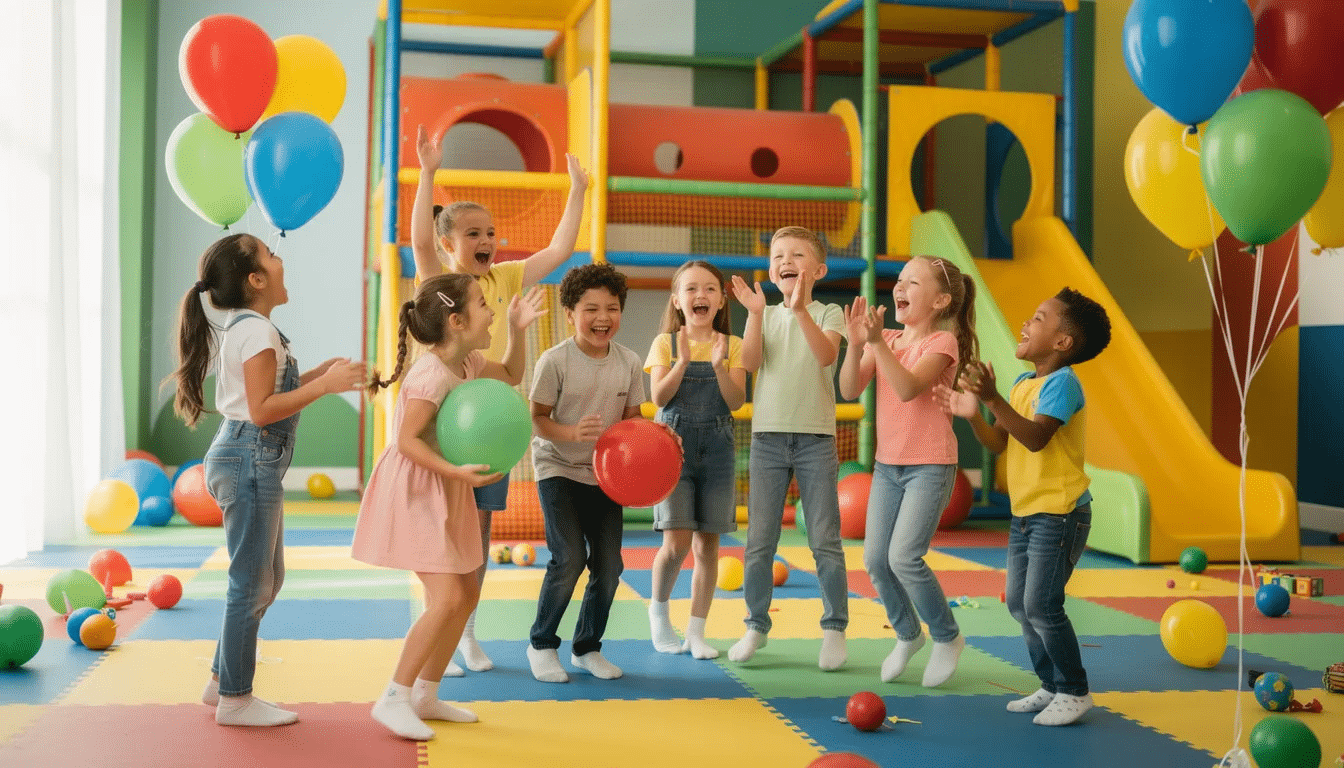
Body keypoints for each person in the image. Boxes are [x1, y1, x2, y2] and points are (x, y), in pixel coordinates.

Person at [411, 124, 589, 675]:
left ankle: (468, 632)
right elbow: (417, 241)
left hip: (489, 435)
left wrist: (577, 191)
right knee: (443, 542)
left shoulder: (507, 278)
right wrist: (428, 174)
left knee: (479, 540)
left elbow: (560, 249)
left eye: (490, 232)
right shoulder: (440, 283)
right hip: (444, 432)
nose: (486, 240)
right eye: (471, 233)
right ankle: (440, 626)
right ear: (449, 244)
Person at [169, 234, 366, 727]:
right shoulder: (255, 332)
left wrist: (324, 373)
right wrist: (325, 386)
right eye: (271, 256)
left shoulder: (256, 329)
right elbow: (260, 411)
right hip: (248, 458)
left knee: (265, 580)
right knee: (250, 582)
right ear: (256, 279)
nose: (281, 261)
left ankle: (221, 682)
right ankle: (236, 698)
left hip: (250, 460)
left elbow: (272, 392)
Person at [353, 273, 544, 740]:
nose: (492, 309)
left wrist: (518, 330)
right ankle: (394, 696)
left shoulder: (470, 362)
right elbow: (406, 439)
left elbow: (513, 376)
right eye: (483, 303)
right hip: (417, 488)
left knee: (467, 593)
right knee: (447, 598)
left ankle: (425, 693)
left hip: (447, 486)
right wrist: (456, 473)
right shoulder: (431, 373)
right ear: (457, 321)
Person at [934, 287, 1112, 726]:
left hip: (1061, 512)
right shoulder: (1021, 384)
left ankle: (1075, 690)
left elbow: (1035, 438)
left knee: (1042, 605)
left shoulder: (1062, 384)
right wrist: (974, 412)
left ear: (1062, 342)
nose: (1025, 324)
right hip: (1027, 513)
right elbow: (999, 443)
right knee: (1019, 603)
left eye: (1038, 317)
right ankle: (1051, 684)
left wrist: (993, 399)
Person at [838, 256, 979, 687]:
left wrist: (877, 344)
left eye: (912, 281)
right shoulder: (890, 340)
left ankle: (947, 636)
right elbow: (848, 389)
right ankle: (907, 633)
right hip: (887, 467)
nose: (899, 287)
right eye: (899, 280)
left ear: (939, 300)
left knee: (904, 557)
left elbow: (907, 387)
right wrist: (856, 344)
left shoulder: (942, 343)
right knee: (876, 560)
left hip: (931, 465)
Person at [728, 226, 849, 671]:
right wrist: (757, 315)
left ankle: (835, 628)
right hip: (768, 440)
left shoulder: (829, 312)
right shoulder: (763, 314)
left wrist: (800, 312)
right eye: (779, 254)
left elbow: (825, 357)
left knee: (824, 541)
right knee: (759, 541)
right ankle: (755, 625)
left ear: (817, 270)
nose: (786, 260)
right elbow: (752, 363)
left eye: (797, 254)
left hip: (816, 440)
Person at [526, 263, 647, 683]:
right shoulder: (554, 360)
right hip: (557, 467)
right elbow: (537, 417)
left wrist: (659, 435)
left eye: (611, 308)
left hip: (604, 476)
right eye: (591, 308)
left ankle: (586, 647)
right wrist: (572, 432)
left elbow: (635, 424)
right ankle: (541, 644)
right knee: (570, 557)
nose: (602, 318)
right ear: (570, 313)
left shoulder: (629, 362)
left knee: (610, 565)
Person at [644, 261, 747, 660]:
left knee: (708, 547)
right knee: (676, 542)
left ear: (721, 300)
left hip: (719, 447)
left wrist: (720, 366)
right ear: (677, 300)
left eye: (709, 289)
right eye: (691, 289)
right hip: (673, 446)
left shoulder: (732, 344)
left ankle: (697, 632)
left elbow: (735, 401)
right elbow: (659, 398)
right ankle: (659, 614)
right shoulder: (665, 343)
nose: (700, 296)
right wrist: (683, 362)